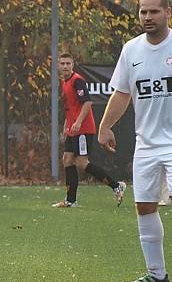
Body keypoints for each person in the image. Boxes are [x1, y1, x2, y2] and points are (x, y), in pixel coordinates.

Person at [98, 0, 172, 282]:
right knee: (144, 205)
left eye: (153, 11)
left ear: (167, 13)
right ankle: (156, 273)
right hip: (146, 141)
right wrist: (105, 125)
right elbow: (122, 93)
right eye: (143, 12)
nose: (147, 17)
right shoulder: (131, 50)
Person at [52, 52, 126, 208]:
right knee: (67, 159)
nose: (65, 66)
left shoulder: (78, 81)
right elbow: (71, 106)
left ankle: (116, 185)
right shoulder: (64, 82)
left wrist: (78, 122)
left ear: (73, 65)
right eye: (62, 63)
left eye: (68, 63)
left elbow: (87, 103)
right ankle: (70, 200)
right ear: (58, 66)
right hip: (73, 128)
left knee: (82, 162)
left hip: (83, 129)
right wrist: (67, 123)